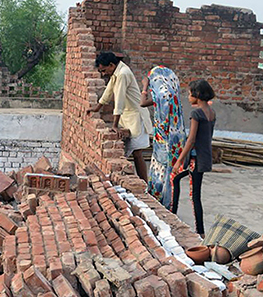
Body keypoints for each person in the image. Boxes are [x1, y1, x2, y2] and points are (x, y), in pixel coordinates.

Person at [87, 52, 153, 181]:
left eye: (104, 70)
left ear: (111, 65)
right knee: (130, 153)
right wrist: (96, 108)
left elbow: (119, 100)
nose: (103, 74)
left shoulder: (123, 73)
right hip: (128, 117)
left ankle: (144, 185)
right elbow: (108, 91)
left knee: (137, 153)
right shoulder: (116, 72)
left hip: (136, 117)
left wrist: (114, 125)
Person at [170, 79, 216, 237]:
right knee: (180, 183)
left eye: (190, 94)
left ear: (197, 95)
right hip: (204, 158)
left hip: (195, 161)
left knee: (193, 195)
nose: (188, 97)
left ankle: (199, 231)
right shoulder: (211, 112)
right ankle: (174, 216)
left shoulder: (196, 113)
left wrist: (179, 161)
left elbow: (191, 139)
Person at [140, 66, 186, 209]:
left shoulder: (162, 96)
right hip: (174, 142)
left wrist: (144, 87)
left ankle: (162, 203)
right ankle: (169, 203)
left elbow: (142, 103)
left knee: (161, 171)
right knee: (170, 174)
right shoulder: (172, 95)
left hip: (164, 141)